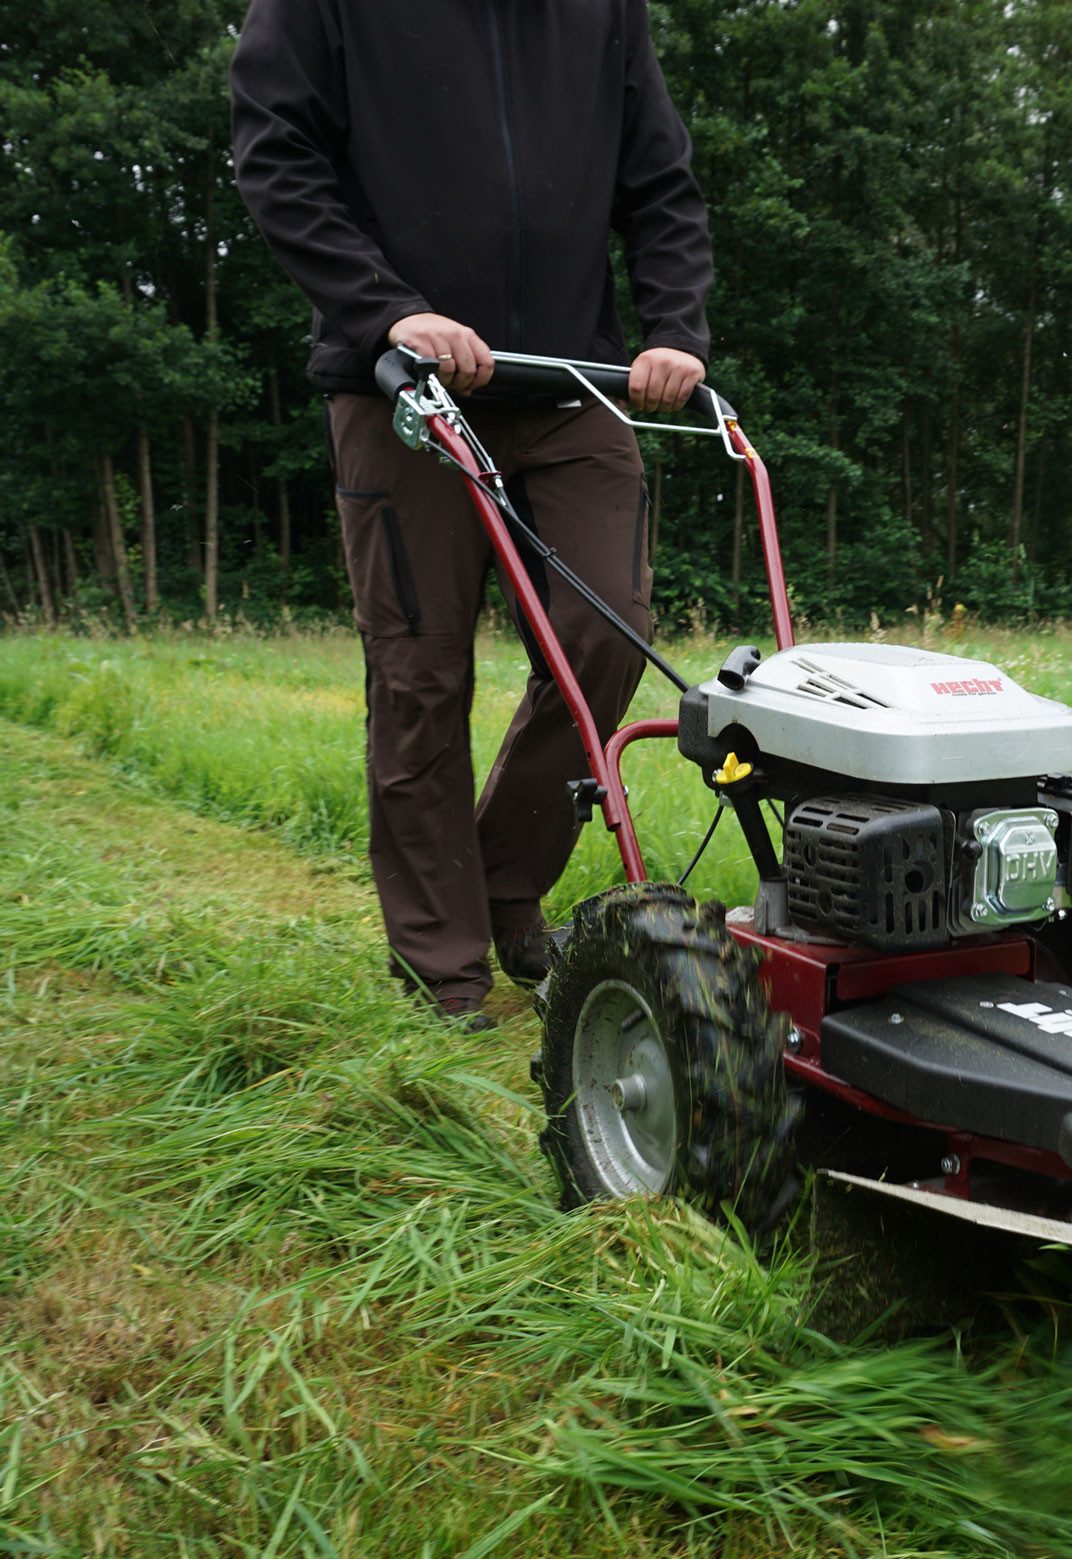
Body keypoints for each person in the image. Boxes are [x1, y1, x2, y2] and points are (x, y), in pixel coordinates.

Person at [230, 0, 712, 1028]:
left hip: (571, 384)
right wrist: (385, 308)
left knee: (606, 637)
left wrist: (672, 328)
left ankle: (501, 883)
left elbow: (659, 185)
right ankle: (442, 966)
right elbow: (279, 157)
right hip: (403, 386)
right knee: (418, 670)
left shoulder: (602, 15)